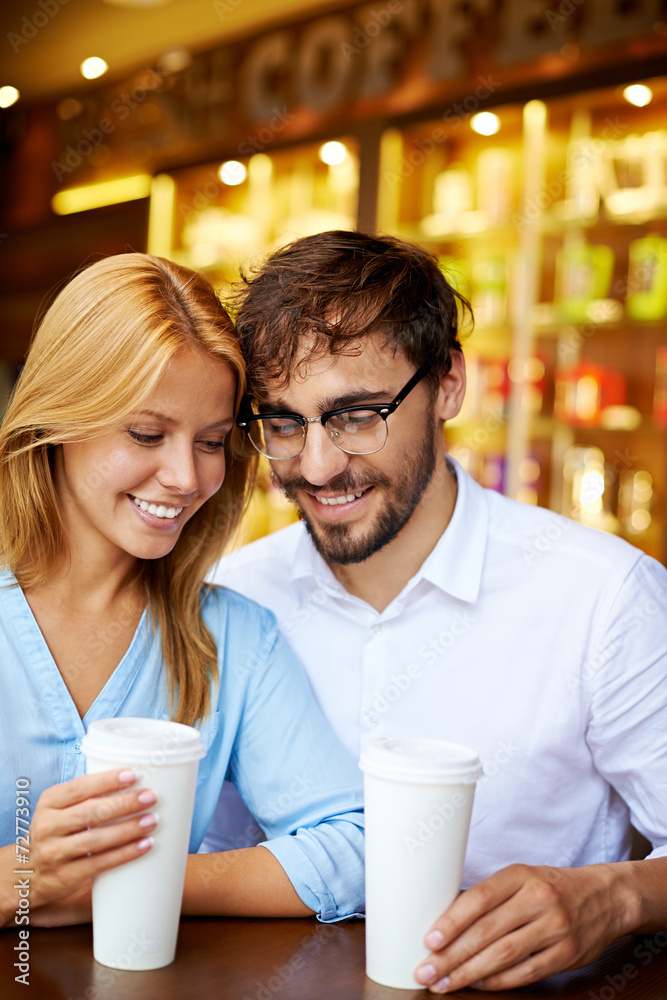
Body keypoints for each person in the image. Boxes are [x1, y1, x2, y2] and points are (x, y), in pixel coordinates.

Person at [207, 230, 667, 992]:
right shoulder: (234, 595)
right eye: (282, 423)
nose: (317, 467)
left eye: (357, 414)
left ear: (448, 382)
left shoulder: (602, 596)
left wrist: (615, 897)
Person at [0, 252, 364, 931]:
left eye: (211, 442)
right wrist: (18, 876)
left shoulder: (232, 637)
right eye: (146, 433)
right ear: (58, 421)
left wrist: (143, 880)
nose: (185, 477)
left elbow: (352, 846)